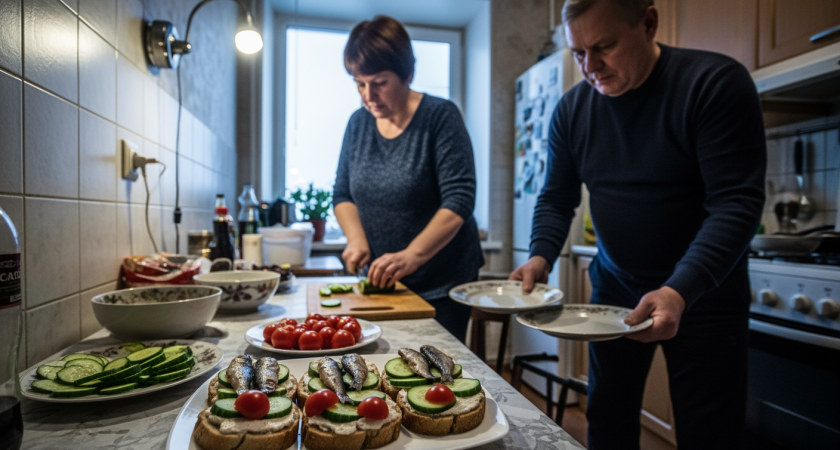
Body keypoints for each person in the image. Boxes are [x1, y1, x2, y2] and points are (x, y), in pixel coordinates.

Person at [510, 0, 766, 448]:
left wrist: (680, 288)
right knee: (607, 419)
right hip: (615, 291)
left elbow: (736, 204)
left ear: (648, 23)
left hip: (705, 294)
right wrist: (540, 255)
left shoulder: (714, 84)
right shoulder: (571, 111)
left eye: (604, 46)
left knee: (709, 433)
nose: (590, 66)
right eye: (578, 53)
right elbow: (556, 197)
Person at [333, 16, 484, 343]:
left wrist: (412, 255)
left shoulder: (440, 116)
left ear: (408, 74)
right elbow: (343, 193)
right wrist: (356, 240)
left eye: (379, 82)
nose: (368, 95)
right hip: (386, 283)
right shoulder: (357, 124)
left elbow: (459, 200)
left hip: (443, 282)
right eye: (359, 83)